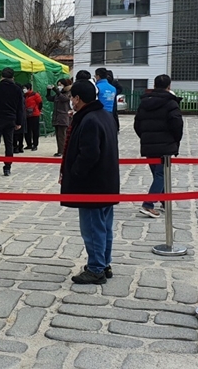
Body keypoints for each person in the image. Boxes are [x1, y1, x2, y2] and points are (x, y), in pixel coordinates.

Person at [60, 80, 120, 285]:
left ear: (78, 98)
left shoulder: (89, 120)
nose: (71, 101)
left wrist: (74, 173)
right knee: (104, 227)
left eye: (72, 98)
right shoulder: (104, 115)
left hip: (92, 185)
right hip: (107, 182)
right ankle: (104, 262)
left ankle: (96, 269)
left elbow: (89, 153)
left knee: (93, 228)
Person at [133, 74, 183, 218]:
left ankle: (164, 200)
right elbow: (177, 125)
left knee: (157, 174)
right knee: (161, 175)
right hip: (166, 145)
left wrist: (144, 137)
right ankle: (148, 204)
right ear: (169, 86)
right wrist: (175, 140)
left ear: (154, 86)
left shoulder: (144, 103)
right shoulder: (171, 103)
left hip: (149, 144)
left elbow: (137, 124)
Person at [0, 68, 26, 177]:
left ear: (2, 76)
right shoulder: (17, 89)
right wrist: (19, 122)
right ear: (13, 77)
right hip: (11, 119)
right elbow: (20, 108)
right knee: (9, 144)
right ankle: (7, 167)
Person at [47, 78, 72, 157]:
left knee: (62, 135)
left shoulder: (69, 93)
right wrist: (48, 91)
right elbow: (50, 98)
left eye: (60, 85)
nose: (59, 86)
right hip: (56, 116)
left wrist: (55, 90)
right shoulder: (59, 93)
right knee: (58, 135)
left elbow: (64, 99)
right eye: (58, 85)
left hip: (63, 116)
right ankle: (60, 150)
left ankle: (62, 151)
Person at [94, 68, 118, 132]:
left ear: (98, 76)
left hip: (98, 115)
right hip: (110, 114)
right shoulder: (113, 88)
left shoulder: (96, 87)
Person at [23, 83, 43, 151]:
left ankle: (35, 144)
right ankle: (29, 144)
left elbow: (40, 103)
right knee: (27, 130)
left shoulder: (35, 95)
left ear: (29, 88)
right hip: (26, 115)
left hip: (34, 115)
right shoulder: (24, 96)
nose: (24, 89)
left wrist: (38, 110)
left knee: (35, 130)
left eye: (25, 88)